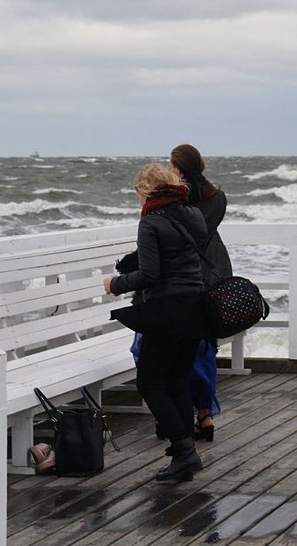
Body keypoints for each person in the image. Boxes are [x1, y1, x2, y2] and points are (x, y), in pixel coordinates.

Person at [104, 163, 207, 483]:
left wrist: (114, 285)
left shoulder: (151, 221)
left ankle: (184, 450)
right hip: (196, 307)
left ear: (147, 191)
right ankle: (183, 455)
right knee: (176, 380)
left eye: (137, 193)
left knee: (149, 383)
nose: (137, 200)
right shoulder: (193, 215)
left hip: (167, 310)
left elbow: (151, 275)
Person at [169, 143, 233, 442]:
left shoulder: (177, 199)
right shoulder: (217, 197)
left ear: (177, 168)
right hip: (215, 271)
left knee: (173, 347)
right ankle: (205, 414)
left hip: (185, 275)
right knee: (205, 346)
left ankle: (172, 416)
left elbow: (178, 237)